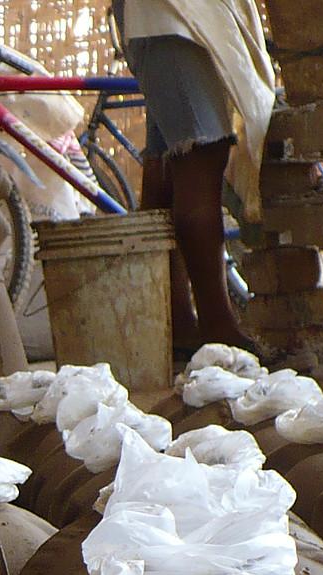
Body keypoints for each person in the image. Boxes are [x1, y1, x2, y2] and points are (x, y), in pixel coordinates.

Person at [112, 0, 276, 356]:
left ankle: (175, 325)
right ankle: (217, 325)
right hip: (172, 16)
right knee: (201, 157)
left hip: (163, 20)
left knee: (168, 170)